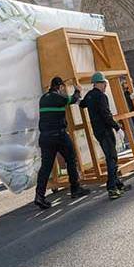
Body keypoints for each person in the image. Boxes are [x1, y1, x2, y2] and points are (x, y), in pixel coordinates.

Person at [34, 77, 91, 209]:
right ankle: (75, 189)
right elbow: (72, 99)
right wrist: (78, 90)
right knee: (71, 158)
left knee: (46, 167)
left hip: (45, 137)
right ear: (59, 87)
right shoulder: (58, 97)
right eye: (63, 88)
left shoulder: (43, 98)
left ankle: (39, 196)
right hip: (58, 135)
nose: (64, 90)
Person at [79, 72, 132, 200]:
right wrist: (117, 127)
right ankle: (112, 188)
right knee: (112, 158)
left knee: (111, 156)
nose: (105, 85)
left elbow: (82, 104)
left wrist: (78, 94)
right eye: (104, 83)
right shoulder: (101, 96)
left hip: (97, 131)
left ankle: (117, 184)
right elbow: (106, 114)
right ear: (99, 83)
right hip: (106, 131)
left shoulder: (90, 95)